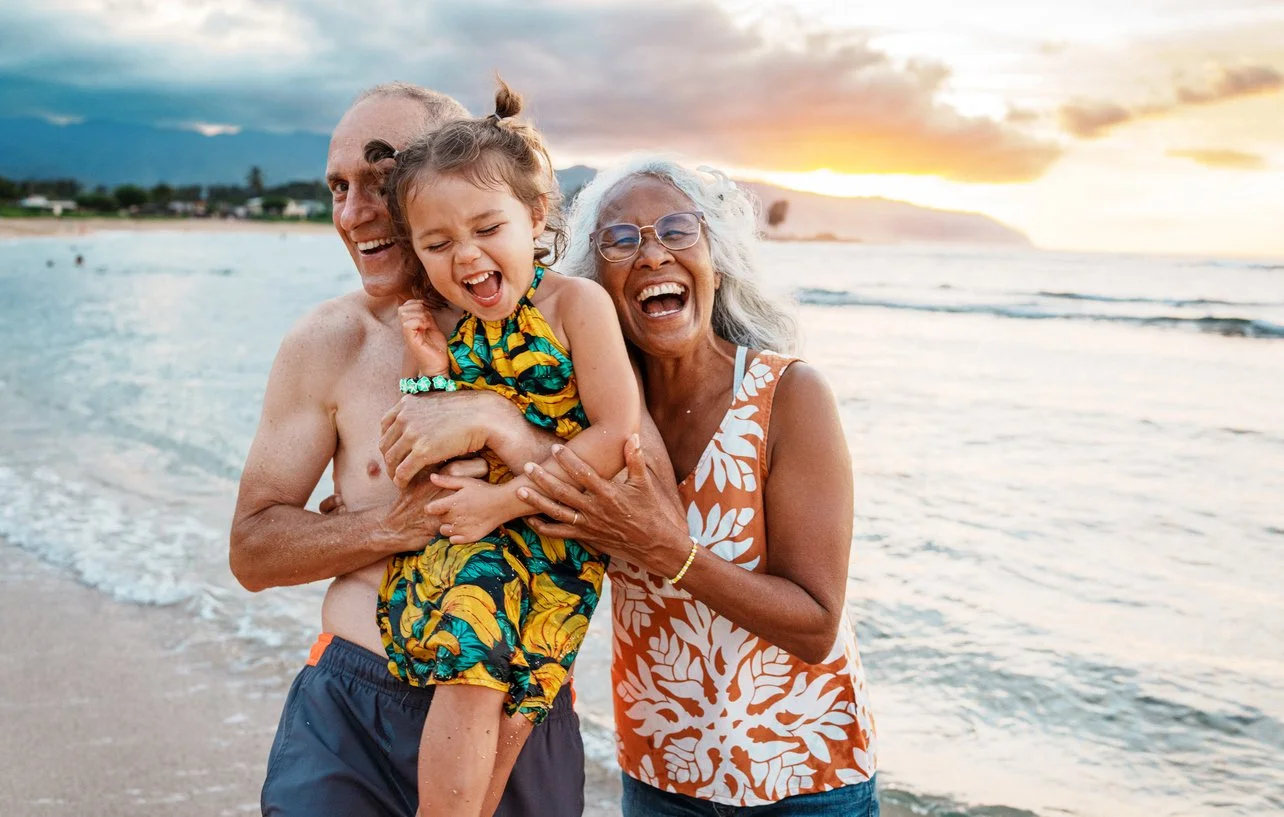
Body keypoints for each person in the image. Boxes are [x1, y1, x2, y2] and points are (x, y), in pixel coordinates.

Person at [228, 82, 586, 817]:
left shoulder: (567, 328)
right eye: (337, 188)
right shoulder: (329, 343)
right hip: (354, 707)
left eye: (379, 179)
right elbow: (253, 549)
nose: (353, 213)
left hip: (516, 711)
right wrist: (392, 526)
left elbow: (643, 512)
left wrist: (499, 422)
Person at [514, 157, 881, 815]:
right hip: (659, 779)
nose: (652, 253)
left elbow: (816, 625)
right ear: (596, 282)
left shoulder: (788, 395)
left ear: (716, 258)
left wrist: (668, 552)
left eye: (677, 231)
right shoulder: (598, 417)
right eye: (620, 240)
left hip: (805, 778)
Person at [364, 80, 639, 817]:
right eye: (439, 243)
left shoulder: (577, 307)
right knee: (474, 657)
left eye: (488, 228)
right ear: (419, 254)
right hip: (471, 548)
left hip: (550, 540)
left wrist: (503, 501)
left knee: (519, 705)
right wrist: (428, 367)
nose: (469, 256)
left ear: (536, 216)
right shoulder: (457, 330)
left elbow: (618, 434)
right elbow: (439, 441)